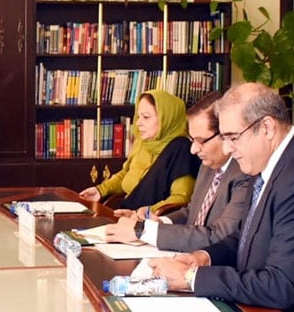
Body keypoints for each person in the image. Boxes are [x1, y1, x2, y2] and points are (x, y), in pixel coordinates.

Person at [150, 82, 294, 311]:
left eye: (232, 137)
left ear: (267, 128)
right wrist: (204, 257)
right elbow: (247, 234)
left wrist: (192, 278)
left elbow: (281, 286)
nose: (228, 148)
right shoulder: (264, 162)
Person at [103, 91, 252, 251]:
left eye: (201, 141)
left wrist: (143, 231)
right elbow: (191, 213)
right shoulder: (208, 165)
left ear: (226, 134)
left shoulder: (244, 174)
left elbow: (217, 236)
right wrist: (159, 223)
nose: (194, 149)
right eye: (192, 140)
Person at [79, 89, 200, 213]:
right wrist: (100, 190)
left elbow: (180, 200)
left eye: (146, 117)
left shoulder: (181, 151)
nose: (138, 123)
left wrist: (142, 213)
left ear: (167, 119)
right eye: (138, 116)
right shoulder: (143, 142)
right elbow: (126, 174)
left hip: (152, 224)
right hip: (124, 214)